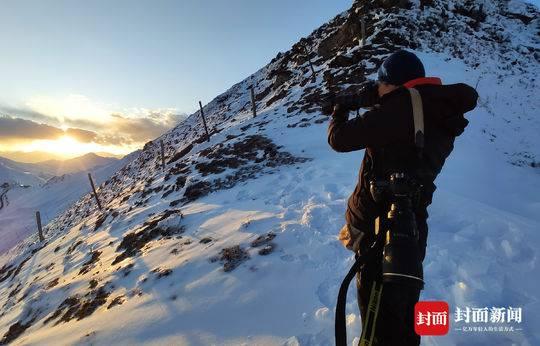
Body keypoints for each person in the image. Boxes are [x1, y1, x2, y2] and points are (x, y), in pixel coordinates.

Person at [327, 49, 478, 345]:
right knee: (401, 311)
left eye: (380, 84)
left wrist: (339, 109)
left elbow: (339, 139)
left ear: (394, 84)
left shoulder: (400, 109)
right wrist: (380, 98)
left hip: (380, 227)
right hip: (411, 224)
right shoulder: (438, 110)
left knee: (377, 315)